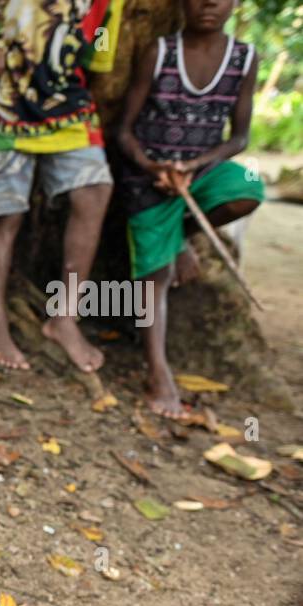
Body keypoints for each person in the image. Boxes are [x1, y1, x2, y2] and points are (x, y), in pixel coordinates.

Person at [0, 0, 123, 374]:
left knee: (95, 190)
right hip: (1, 103)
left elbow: (98, 57)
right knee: (5, 214)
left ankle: (65, 317)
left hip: (67, 108)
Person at [115, 0, 262, 420]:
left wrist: (194, 168)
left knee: (251, 186)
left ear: (234, 4)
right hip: (148, 177)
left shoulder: (244, 58)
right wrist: (153, 166)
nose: (208, 4)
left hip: (200, 174)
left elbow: (241, 138)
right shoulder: (159, 52)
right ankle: (158, 373)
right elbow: (123, 130)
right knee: (155, 276)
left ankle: (179, 236)